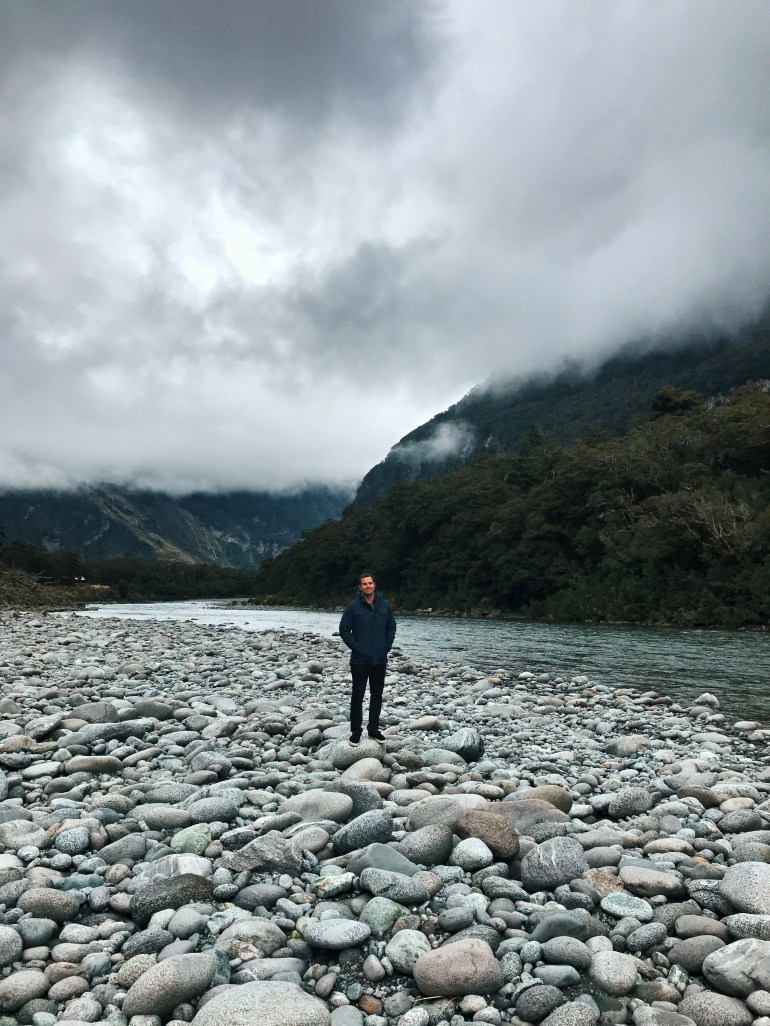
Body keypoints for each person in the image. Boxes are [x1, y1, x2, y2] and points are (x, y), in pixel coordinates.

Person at [338, 571, 397, 746]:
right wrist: (357, 648)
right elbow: (344, 630)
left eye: (370, 583)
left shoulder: (384, 606)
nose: (368, 586)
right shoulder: (353, 607)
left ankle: (373, 729)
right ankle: (356, 732)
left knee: (377, 695)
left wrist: (386, 646)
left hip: (380, 659)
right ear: (360, 587)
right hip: (359, 660)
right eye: (364, 584)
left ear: (374, 585)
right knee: (358, 695)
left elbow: (391, 627)